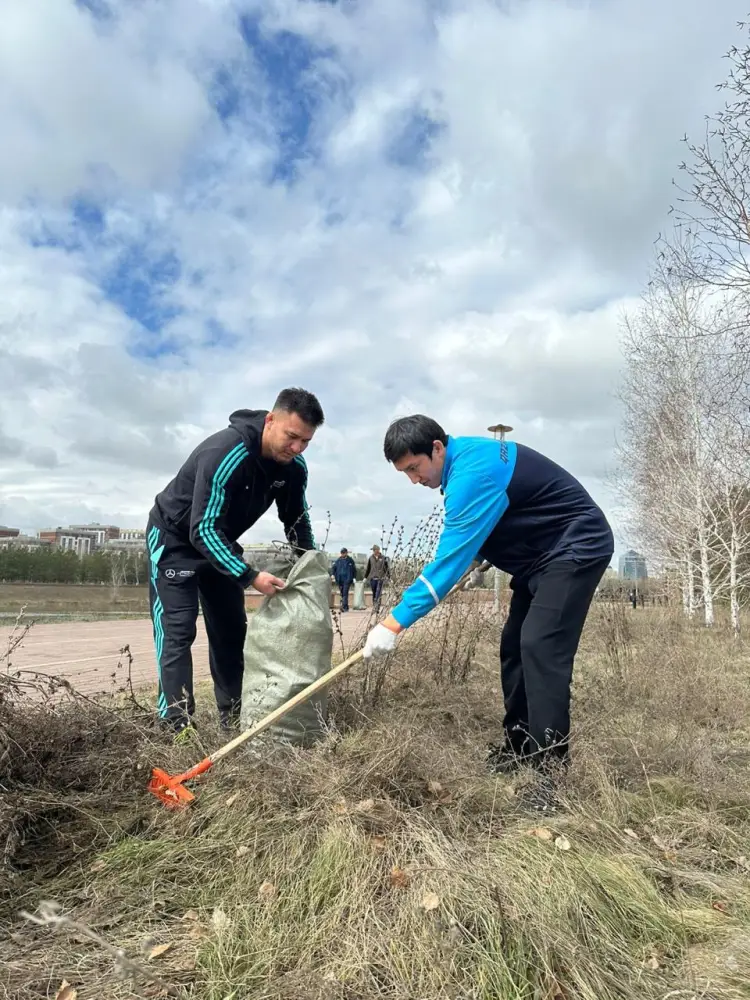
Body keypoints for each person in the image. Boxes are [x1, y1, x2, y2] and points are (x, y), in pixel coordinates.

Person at [363, 415, 613, 808]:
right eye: (405, 473)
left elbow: (445, 564)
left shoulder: (473, 474)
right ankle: (519, 746)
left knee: (540, 647)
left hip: (575, 546)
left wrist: (392, 625)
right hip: (540, 559)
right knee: (514, 646)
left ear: (437, 448)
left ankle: (552, 776)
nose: (414, 479)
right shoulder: (466, 462)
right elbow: (500, 517)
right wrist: (481, 557)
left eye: (415, 468)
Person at [146, 387, 324, 733]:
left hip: (220, 542)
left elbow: (297, 521)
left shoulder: (293, 468)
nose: (297, 448)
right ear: (271, 421)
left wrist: (311, 566)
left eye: (306, 441)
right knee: (177, 632)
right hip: (175, 540)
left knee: (231, 631)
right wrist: (249, 576)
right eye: (292, 437)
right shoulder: (226, 453)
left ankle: (236, 719)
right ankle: (175, 728)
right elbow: (201, 530)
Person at [331, 547, 357, 612]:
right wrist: (332, 574)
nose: (342, 554)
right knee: (342, 593)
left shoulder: (350, 560)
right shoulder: (338, 560)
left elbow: (354, 570)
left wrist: (354, 577)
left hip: (347, 579)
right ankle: (346, 606)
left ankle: (344, 607)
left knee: (345, 593)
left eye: (344, 553)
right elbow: (333, 568)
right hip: (340, 580)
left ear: (346, 553)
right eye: (341, 553)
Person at [364, 544, 389, 610]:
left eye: (375, 550)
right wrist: (365, 577)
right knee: (374, 593)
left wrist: (389, 577)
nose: (374, 551)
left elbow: (386, 568)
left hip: (380, 578)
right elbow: (368, 568)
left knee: (378, 593)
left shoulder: (383, 558)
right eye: (373, 550)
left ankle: (377, 607)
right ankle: (374, 606)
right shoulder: (371, 558)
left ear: (378, 550)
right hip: (372, 578)